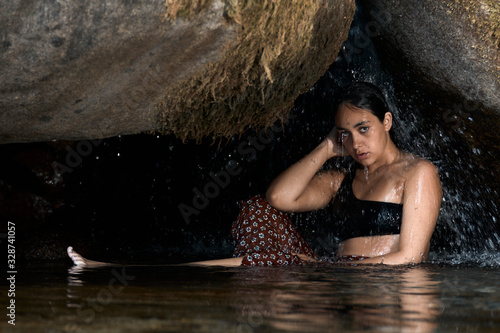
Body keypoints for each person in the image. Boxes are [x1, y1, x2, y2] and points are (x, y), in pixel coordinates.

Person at [68, 82, 442, 268]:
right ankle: (131, 269)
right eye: (346, 134)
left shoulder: (418, 172)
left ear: (387, 122)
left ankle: (122, 269)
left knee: (263, 263)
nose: (356, 142)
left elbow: (411, 256)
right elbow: (280, 198)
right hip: (336, 279)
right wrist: (328, 148)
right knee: (257, 213)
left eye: (364, 129)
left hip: (380, 286)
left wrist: (331, 270)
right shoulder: (341, 180)